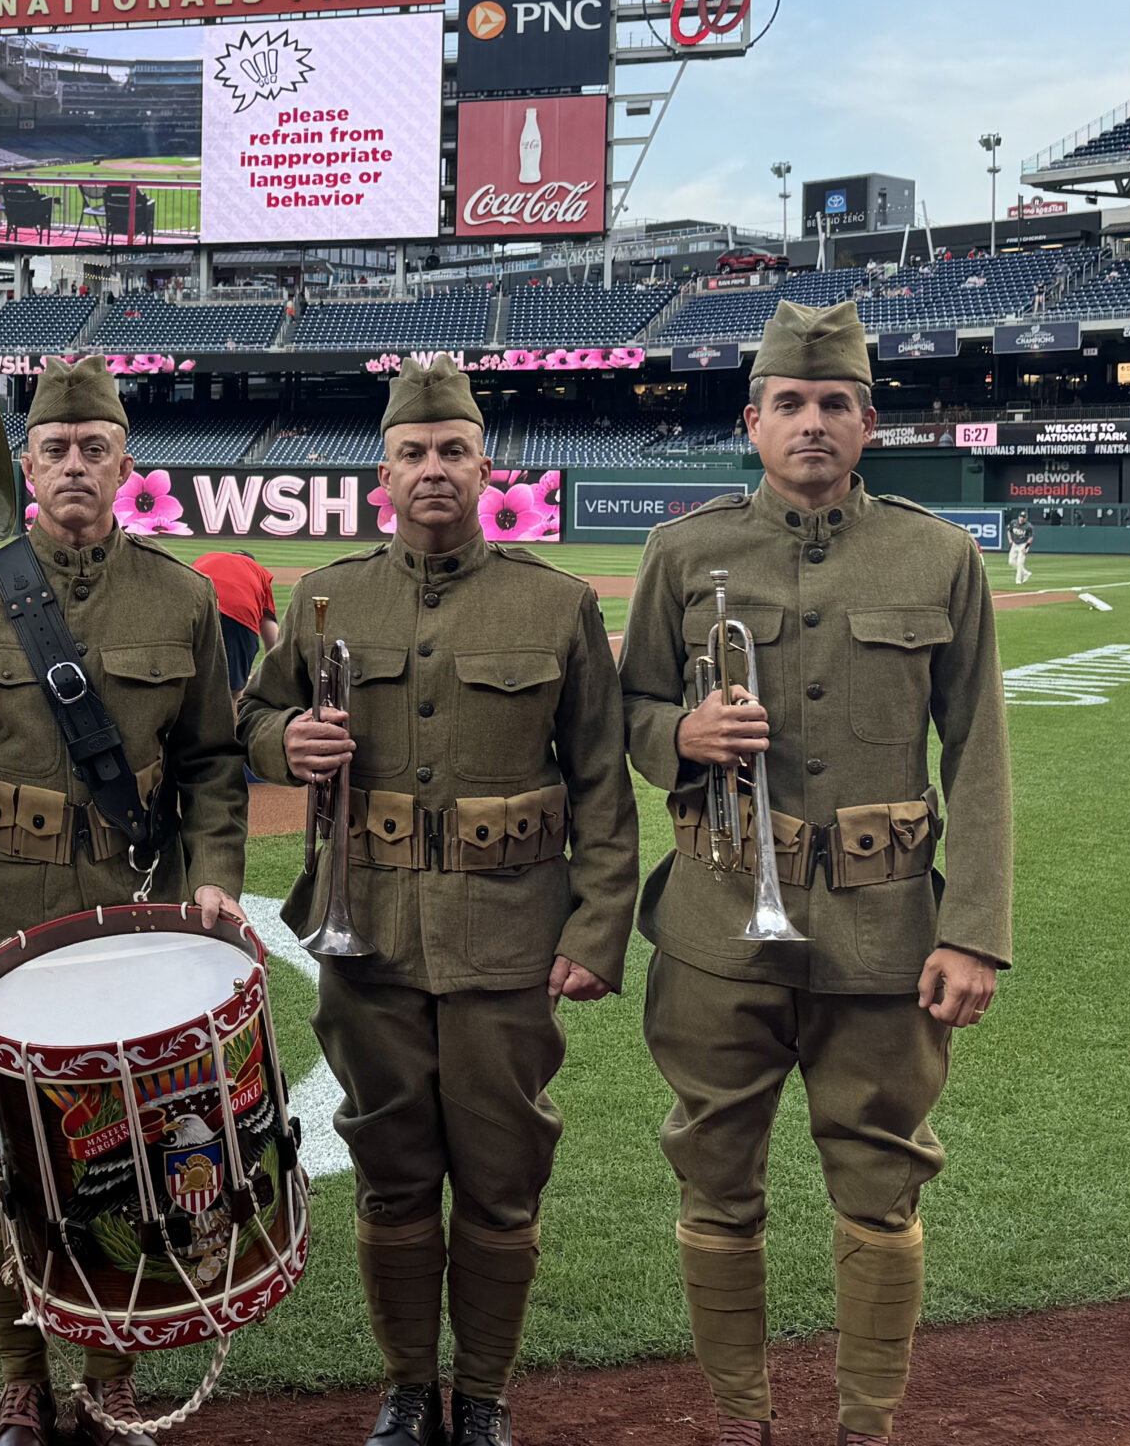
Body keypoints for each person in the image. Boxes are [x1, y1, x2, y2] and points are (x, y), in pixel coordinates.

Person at [618, 299, 1011, 1446]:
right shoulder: (682, 552)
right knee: (715, 1182)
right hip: (715, 924)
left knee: (879, 1186)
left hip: (889, 933)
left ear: (867, 421)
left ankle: (863, 1427)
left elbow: (978, 750)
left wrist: (973, 929)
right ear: (753, 420)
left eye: (833, 402)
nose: (811, 422)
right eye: (788, 402)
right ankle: (742, 1423)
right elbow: (625, 711)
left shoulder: (937, 556)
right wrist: (677, 738)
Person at [236, 357, 638, 1446]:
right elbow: (249, 719)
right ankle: (410, 1390)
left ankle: (486, 1397)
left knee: (502, 1176)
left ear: (483, 465)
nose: (432, 470)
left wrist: (598, 928)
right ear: (384, 470)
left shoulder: (553, 604)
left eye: (451, 450)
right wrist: (288, 742)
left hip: (509, 938)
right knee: (392, 1168)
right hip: (363, 934)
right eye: (412, 452)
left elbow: (602, 782)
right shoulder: (328, 598)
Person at [0, 353, 248, 1446]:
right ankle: (22, 1380)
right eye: (55, 448)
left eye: (94, 447)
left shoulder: (183, 600)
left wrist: (213, 881)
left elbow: (211, 767)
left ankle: (109, 1375)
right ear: (27, 464)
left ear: (124, 463)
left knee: (122, 1158)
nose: (75, 465)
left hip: (126, 919)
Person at [192, 546, 279, 693]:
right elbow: (272, 636)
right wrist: (275, 671)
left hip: (195, 608)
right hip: (238, 615)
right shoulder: (257, 570)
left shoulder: (208, 557)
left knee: (189, 684)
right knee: (231, 692)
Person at [1005, 511, 1033, 585]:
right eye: (1021, 517)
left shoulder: (1028, 526)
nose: (1021, 518)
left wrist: (1026, 547)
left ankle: (1018, 580)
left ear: (1025, 518)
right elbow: (1009, 531)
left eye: (1023, 517)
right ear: (1018, 517)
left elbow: (1031, 538)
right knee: (1011, 562)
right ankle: (1026, 573)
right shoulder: (1014, 523)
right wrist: (1010, 539)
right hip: (1015, 544)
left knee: (1020, 562)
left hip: (1023, 544)